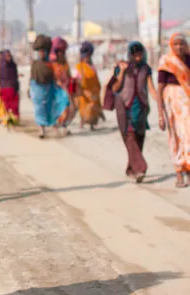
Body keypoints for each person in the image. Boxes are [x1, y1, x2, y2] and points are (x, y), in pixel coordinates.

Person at [110, 41, 158, 183]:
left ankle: (131, 168)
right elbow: (115, 88)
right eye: (134, 54)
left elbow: (151, 88)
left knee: (139, 138)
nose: (137, 57)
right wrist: (123, 72)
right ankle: (140, 167)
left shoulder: (146, 69)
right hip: (125, 108)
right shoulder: (122, 67)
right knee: (129, 137)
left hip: (142, 108)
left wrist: (161, 104)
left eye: (140, 54)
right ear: (130, 54)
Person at [157, 33, 190, 188]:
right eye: (175, 44)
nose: (179, 47)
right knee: (175, 137)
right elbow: (160, 89)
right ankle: (179, 173)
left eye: (181, 44)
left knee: (188, 136)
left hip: (187, 103)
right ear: (171, 45)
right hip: (172, 103)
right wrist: (160, 114)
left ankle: (188, 171)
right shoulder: (166, 62)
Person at [29, 34, 69, 139]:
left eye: (43, 51)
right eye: (40, 51)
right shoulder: (35, 63)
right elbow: (32, 77)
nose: (42, 53)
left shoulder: (51, 64)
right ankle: (41, 129)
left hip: (49, 89)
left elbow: (55, 77)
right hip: (37, 90)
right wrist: (29, 89)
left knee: (50, 109)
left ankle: (54, 126)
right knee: (39, 109)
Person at [73, 41, 103, 130]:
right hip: (83, 92)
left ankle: (92, 124)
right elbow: (75, 78)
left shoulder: (92, 67)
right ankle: (82, 122)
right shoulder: (79, 67)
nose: (86, 58)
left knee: (93, 108)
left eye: (88, 57)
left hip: (93, 92)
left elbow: (96, 79)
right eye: (85, 57)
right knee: (84, 109)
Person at [50, 37, 76, 133]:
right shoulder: (53, 64)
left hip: (66, 89)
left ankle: (64, 125)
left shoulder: (65, 64)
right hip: (56, 90)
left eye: (62, 51)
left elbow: (68, 75)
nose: (61, 53)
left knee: (69, 108)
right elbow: (51, 77)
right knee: (59, 108)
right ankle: (56, 126)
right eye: (59, 51)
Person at [0, 49, 20, 125]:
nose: (8, 57)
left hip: (13, 88)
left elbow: (15, 77)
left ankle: (13, 121)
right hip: (5, 89)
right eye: (7, 56)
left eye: (9, 55)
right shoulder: (2, 66)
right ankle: (8, 120)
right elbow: (0, 78)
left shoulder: (13, 65)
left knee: (14, 106)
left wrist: (16, 87)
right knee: (7, 106)